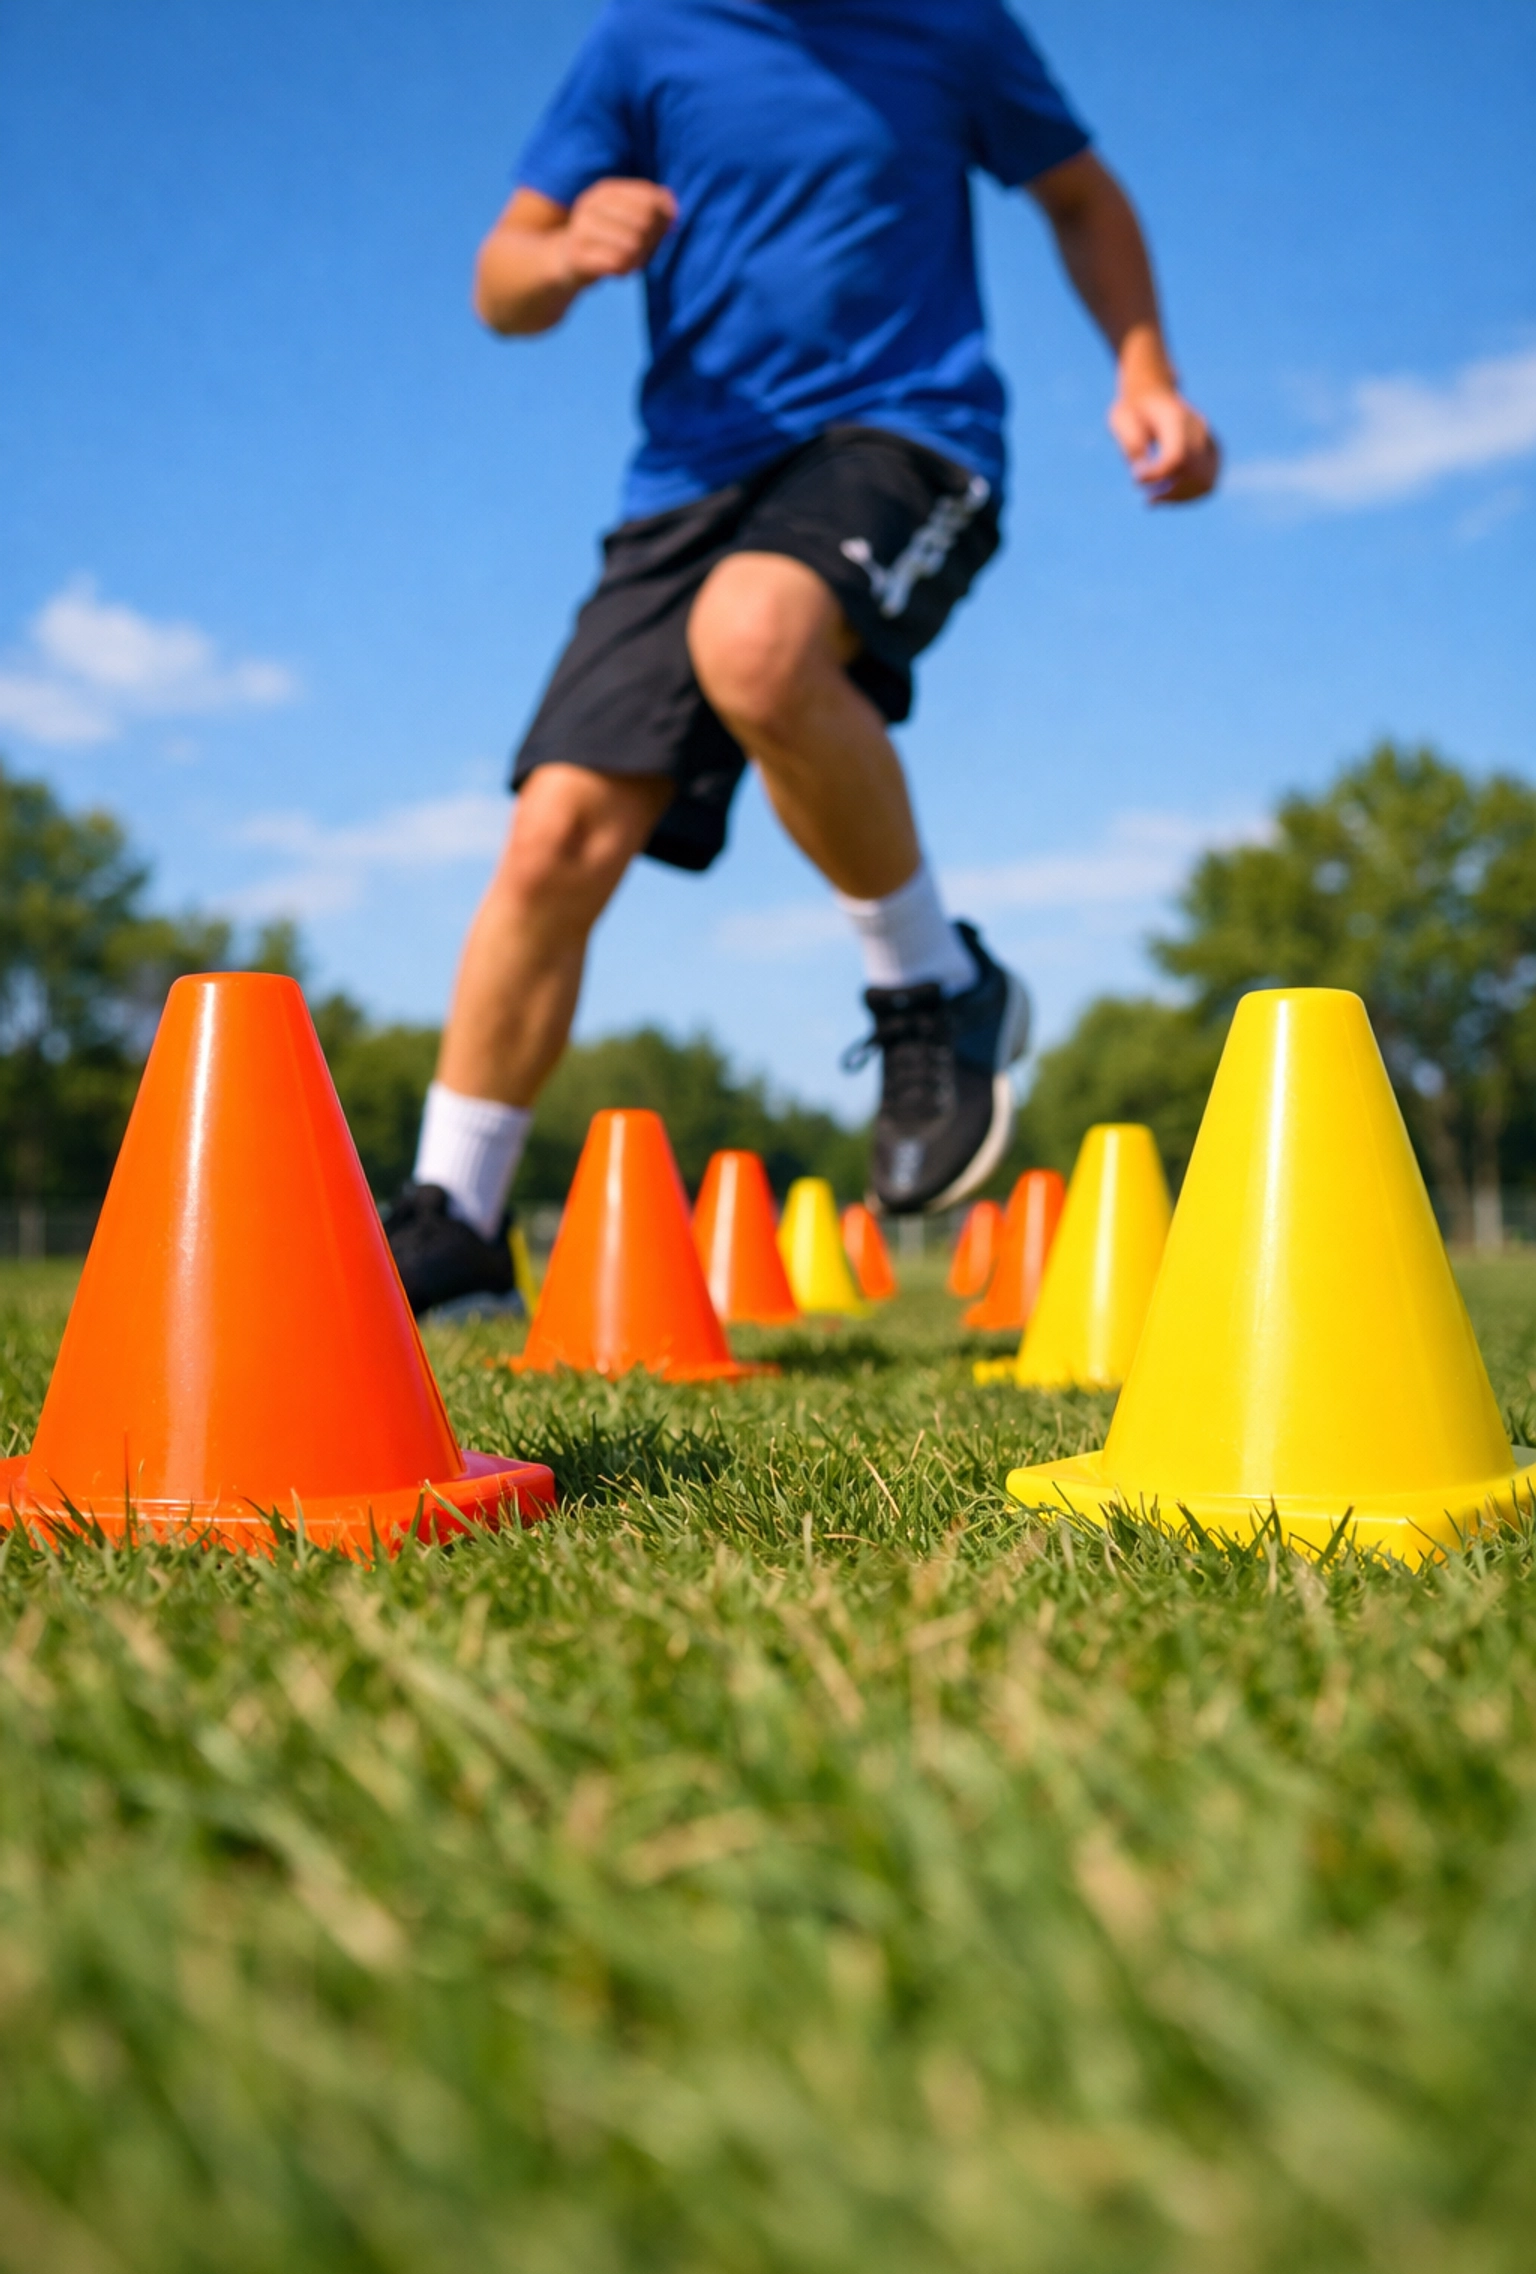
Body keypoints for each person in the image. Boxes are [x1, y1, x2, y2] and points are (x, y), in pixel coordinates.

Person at [385, 0, 1219, 1315]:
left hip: (902, 433)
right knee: (556, 830)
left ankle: (935, 990)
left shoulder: (953, 28)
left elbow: (1082, 197)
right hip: (685, 481)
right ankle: (459, 1218)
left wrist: (1148, 369)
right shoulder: (646, 42)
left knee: (755, 642)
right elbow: (503, 282)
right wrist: (564, 254)